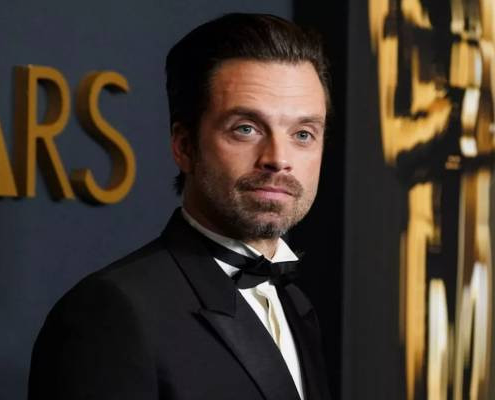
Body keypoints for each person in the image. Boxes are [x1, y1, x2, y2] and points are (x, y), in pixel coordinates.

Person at [28, 13, 332, 400]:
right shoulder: (111, 313)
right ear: (184, 146)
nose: (278, 158)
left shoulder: (296, 306)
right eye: (246, 129)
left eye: (303, 134)